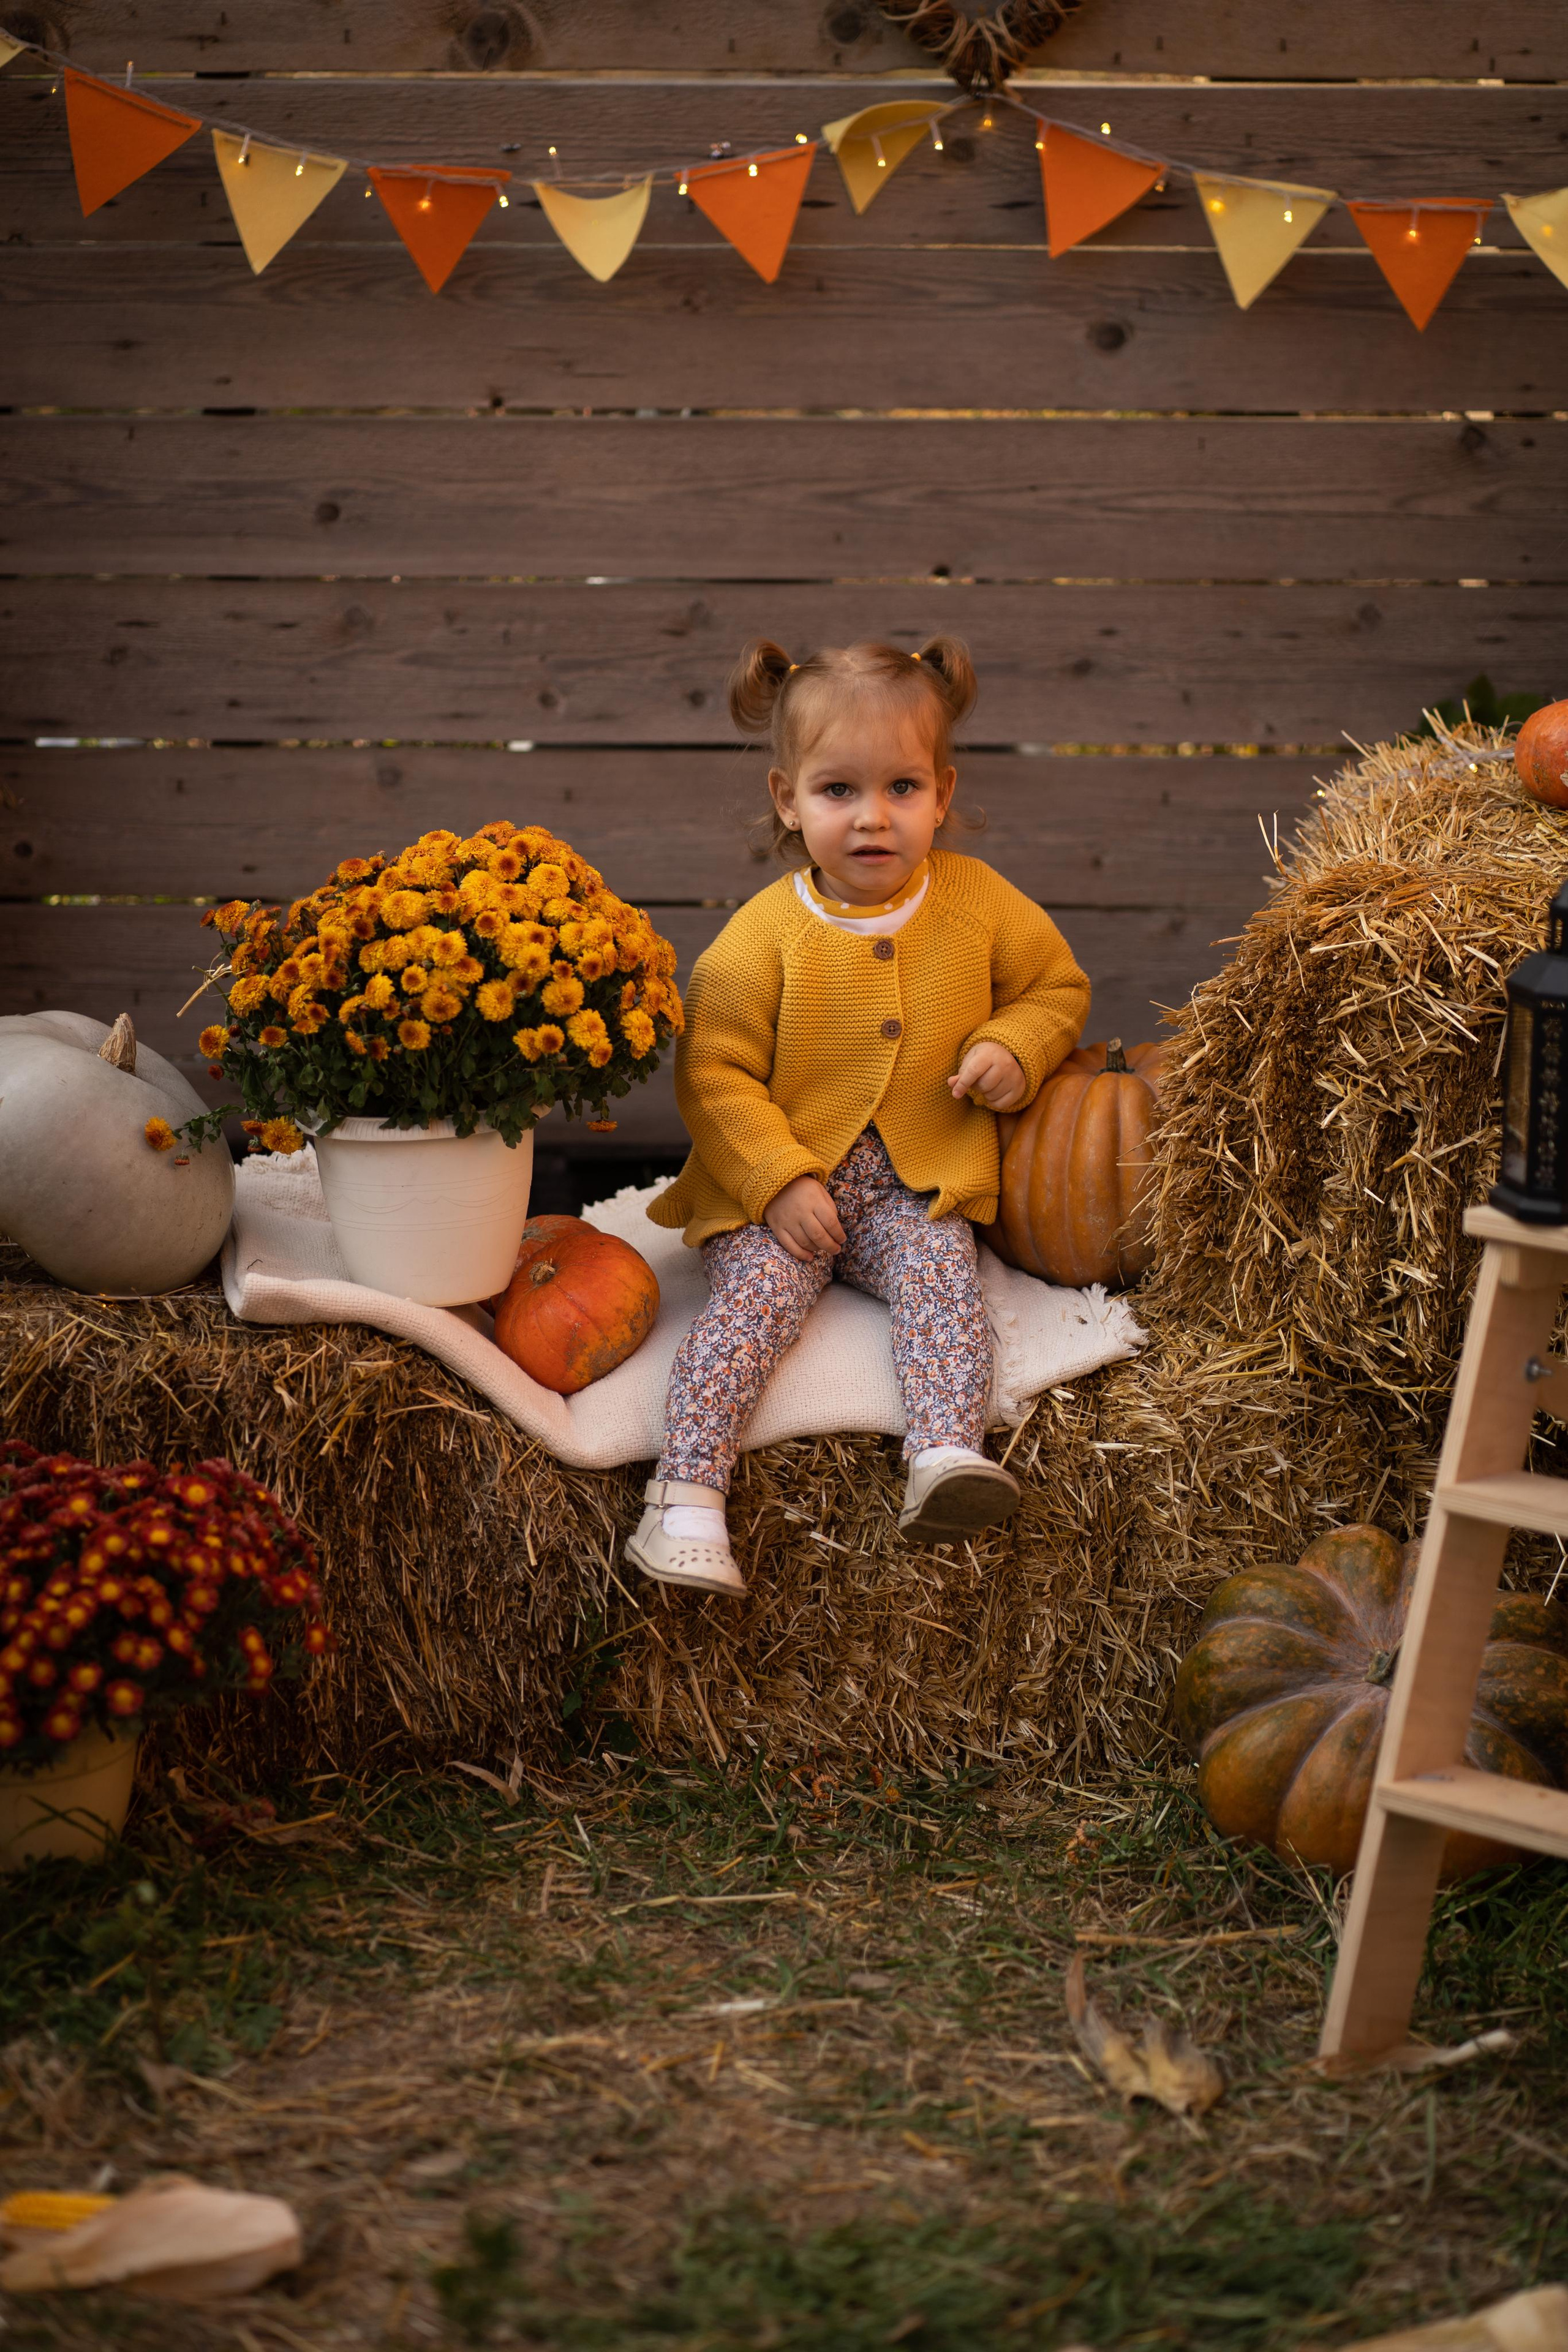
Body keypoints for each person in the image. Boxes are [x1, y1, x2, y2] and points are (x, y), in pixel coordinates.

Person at [627, 635, 1090, 1596]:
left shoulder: (978, 905)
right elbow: (714, 1072)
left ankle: (944, 1458)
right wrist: (776, 1178)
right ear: (788, 800)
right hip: (781, 1194)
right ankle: (686, 1499)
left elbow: (1055, 986)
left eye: (902, 790)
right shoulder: (762, 938)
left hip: (908, 1192)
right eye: (839, 791)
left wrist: (1017, 1044)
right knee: (753, 1308)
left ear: (943, 795)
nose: (873, 819)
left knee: (942, 1277)